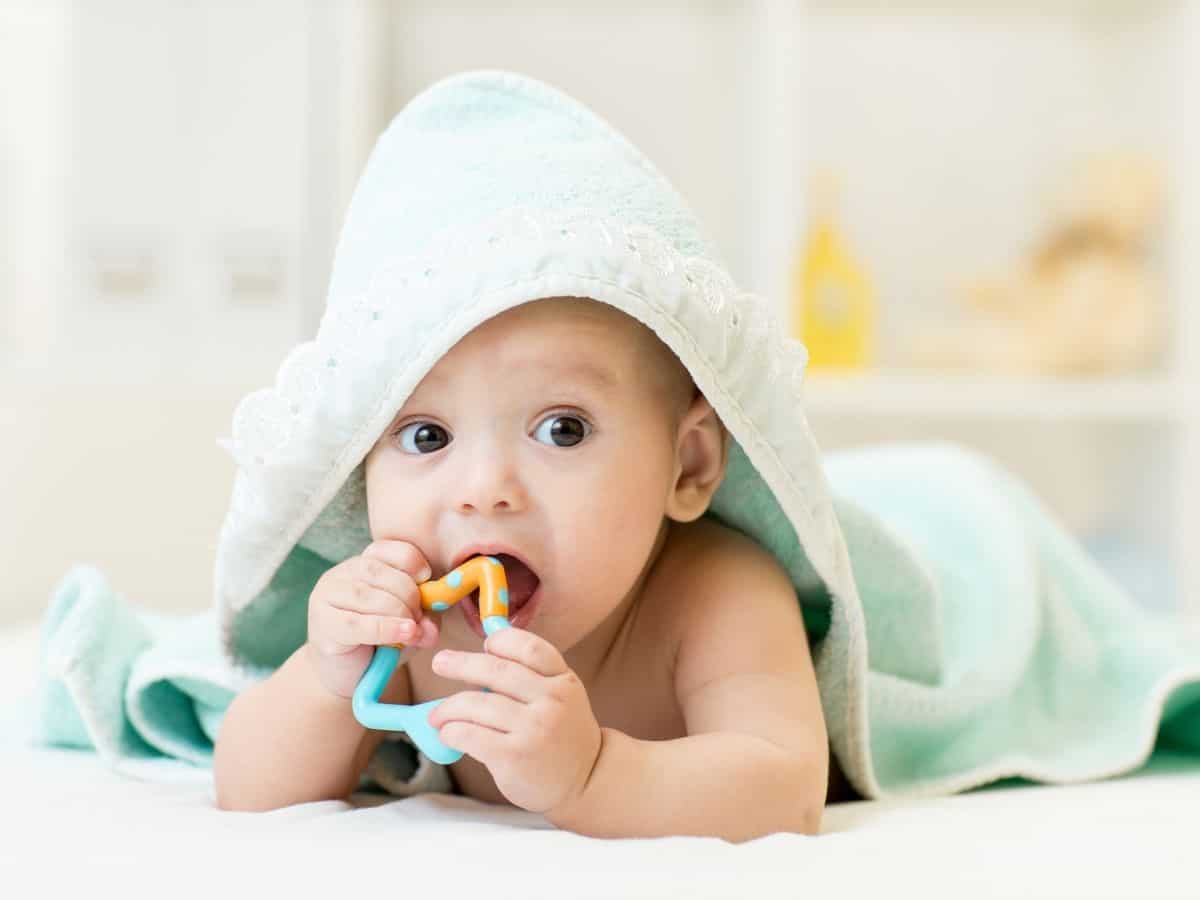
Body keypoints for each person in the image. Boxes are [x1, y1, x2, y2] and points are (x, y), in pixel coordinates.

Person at [211, 70, 849, 841]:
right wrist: (323, 677)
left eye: (562, 429)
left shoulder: (716, 595)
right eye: (426, 436)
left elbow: (785, 789)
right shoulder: (404, 626)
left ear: (687, 466)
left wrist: (593, 774)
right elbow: (245, 789)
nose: (483, 490)